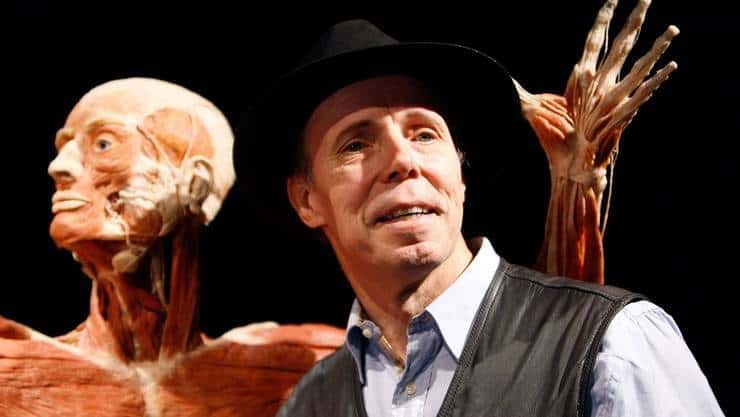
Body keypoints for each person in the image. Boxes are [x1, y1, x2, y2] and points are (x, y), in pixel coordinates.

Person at [242, 1, 726, 416]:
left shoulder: (612, 345)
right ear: (306, 199)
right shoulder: (309, 402)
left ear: (460, 172)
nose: (403, 161)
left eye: (424, 134)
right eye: (355, 144)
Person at [0, 78, 343, 417]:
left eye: (103, 144)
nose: (58, 167)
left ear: (194, 182)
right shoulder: (13, 368)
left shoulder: (293, 371)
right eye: (65, 148)